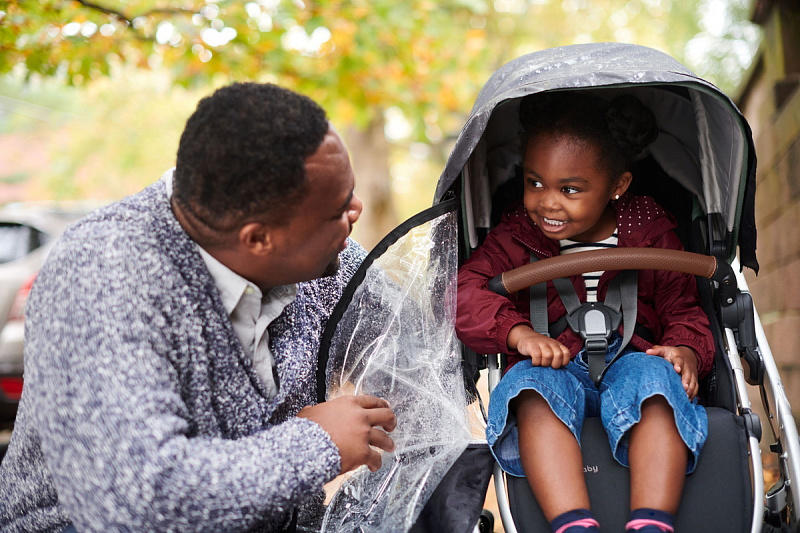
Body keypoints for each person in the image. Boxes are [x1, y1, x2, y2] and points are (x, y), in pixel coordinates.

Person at [0, 82, 397, 532]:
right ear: (258, 238)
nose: (356, 209)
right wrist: (317, 442)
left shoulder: (322, 256)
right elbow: (137, 502)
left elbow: (411, 352)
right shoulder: (103, 271)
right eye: (338, 209)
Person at [456, 92, 714, 533]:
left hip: (635, 356)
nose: (547, 202)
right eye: (534, 182)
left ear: (618, 186)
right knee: (529, 389)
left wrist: (685, 350)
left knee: (657, 381)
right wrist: (518, 333)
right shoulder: (515, 235)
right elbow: (464, 292)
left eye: (569, 189)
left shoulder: (650, 230)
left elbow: (683, 307)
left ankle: (652, 521)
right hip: (552, 362)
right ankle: (573, 523)